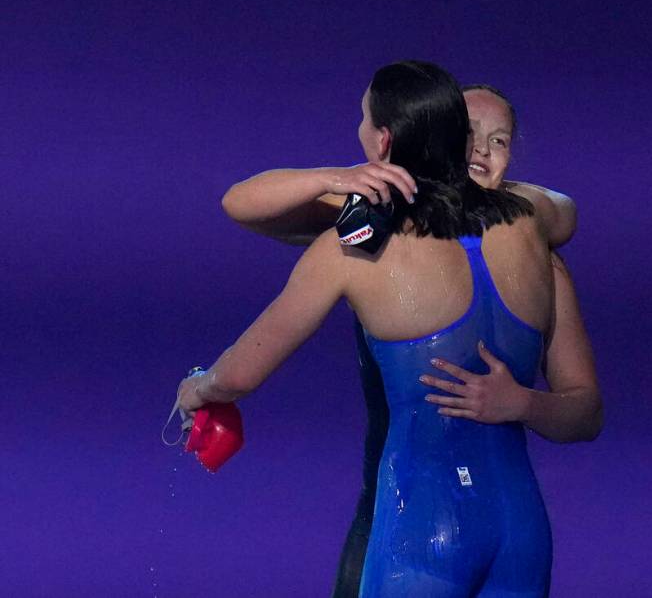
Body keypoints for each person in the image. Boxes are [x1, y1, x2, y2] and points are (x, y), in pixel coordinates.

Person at [179, 61, 597, 597]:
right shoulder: (536, 237)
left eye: (499, 141)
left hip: (419, 525)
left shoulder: (357, 243)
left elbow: (238, 374)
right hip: (522, 531)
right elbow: (587, 409)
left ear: (381, 140)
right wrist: (523, 403)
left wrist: (200, 386)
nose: (483, 154)